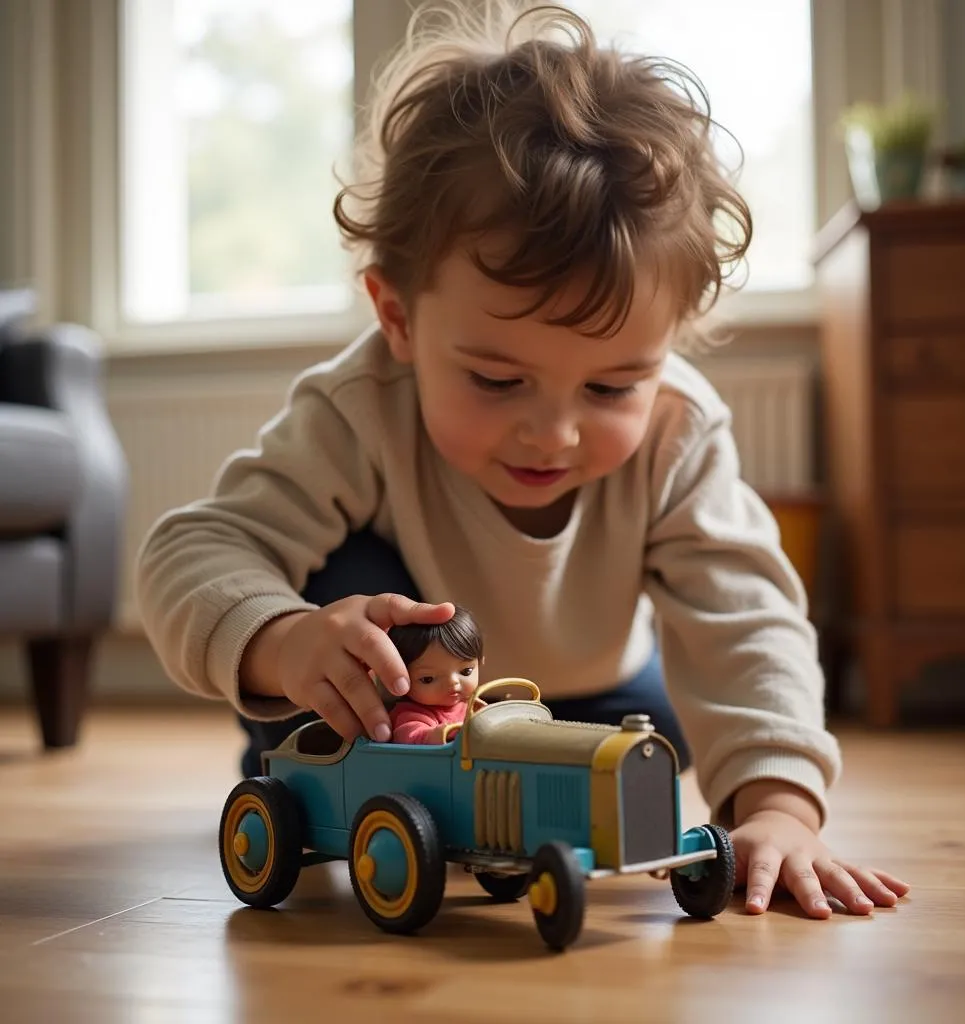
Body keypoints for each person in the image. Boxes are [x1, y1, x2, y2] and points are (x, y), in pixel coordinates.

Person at [135, 1, 909, 919]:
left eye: (613, 387)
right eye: (499, 380)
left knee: (656, 732)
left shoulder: (679, 433)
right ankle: (310, 776)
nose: (554, 434)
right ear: (399, 317)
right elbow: (194, 549)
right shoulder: (359, 407)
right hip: (387, 708)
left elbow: (746, 619)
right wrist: (281, 641)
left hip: (597, 701)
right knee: (340, 591)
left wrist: (781, 808)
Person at [387, 604, 483, 744]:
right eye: (428, 679)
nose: (453, 682)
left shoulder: (472, 705)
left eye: (465, 671)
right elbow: (409, 735)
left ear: (480, 663)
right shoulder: (410, 714)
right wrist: (435, 735)